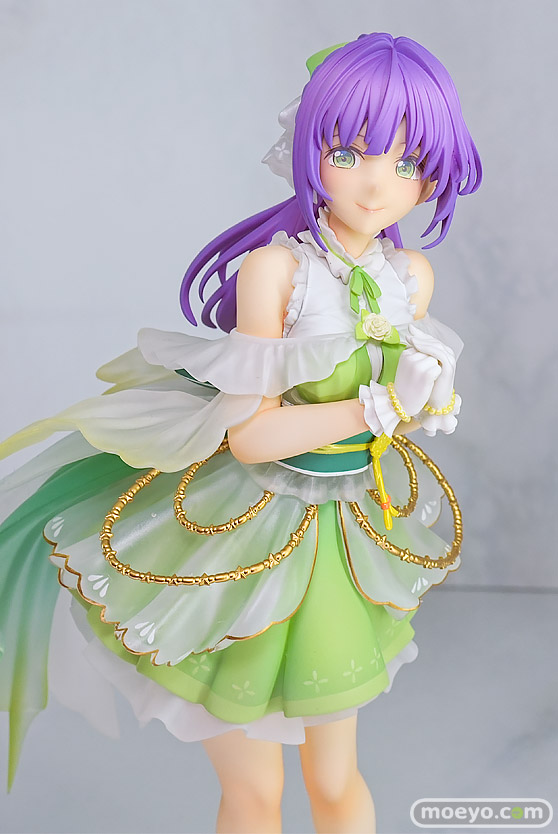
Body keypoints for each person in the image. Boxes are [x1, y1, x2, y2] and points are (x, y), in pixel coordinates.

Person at [0, 32, 481, 833]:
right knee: (255, 791)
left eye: (407, 164)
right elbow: (252, 438)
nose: (375, 184)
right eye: (349, 152)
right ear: (307, 147)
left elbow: (394, 411)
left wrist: (423, 404)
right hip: (247, 529)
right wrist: (379, 409)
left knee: (336, 778)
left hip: (343, 530)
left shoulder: (410, 278)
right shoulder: (278, 272)